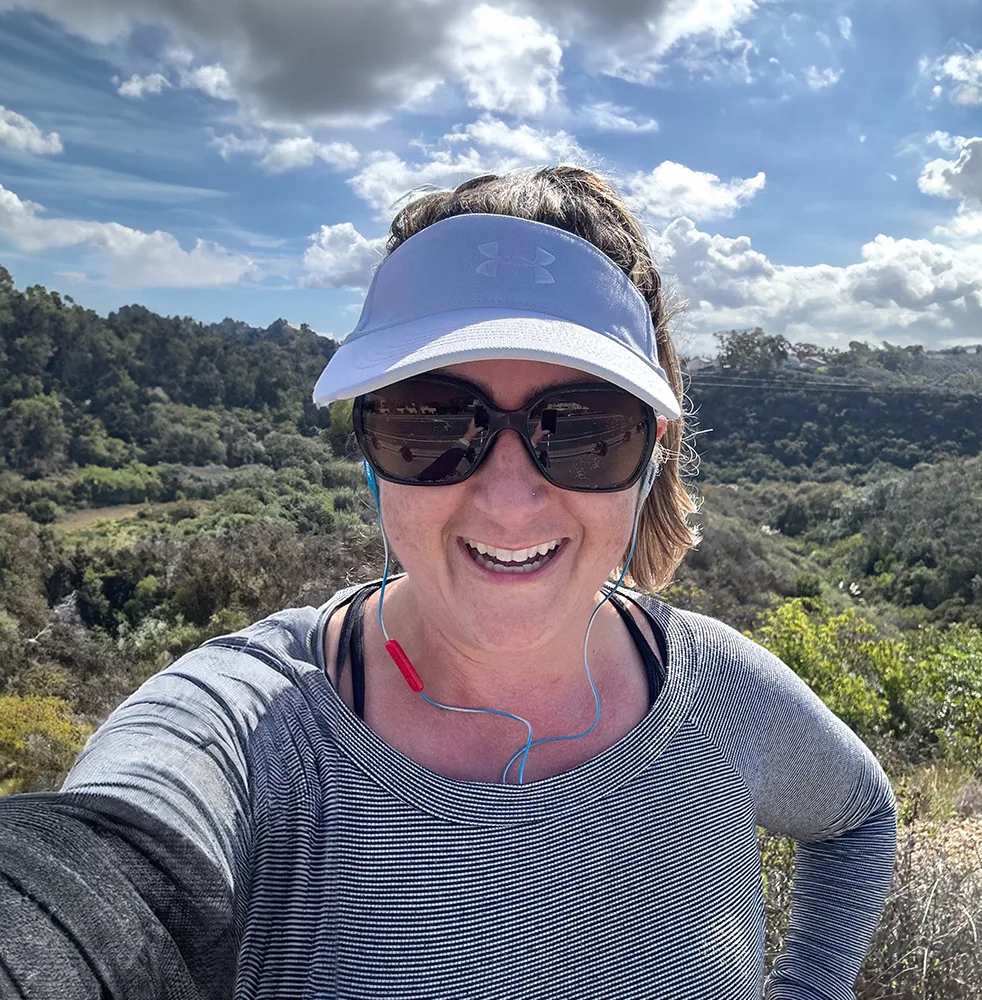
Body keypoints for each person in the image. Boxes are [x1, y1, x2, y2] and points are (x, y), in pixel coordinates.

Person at [0, 167, 897, 999]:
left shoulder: (717, 692)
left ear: (651, 455)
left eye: (583, 429)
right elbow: (98, 874)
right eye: (431, 425)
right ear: (368, 451)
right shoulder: (255, 728)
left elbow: (858, 820)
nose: (508, 503)